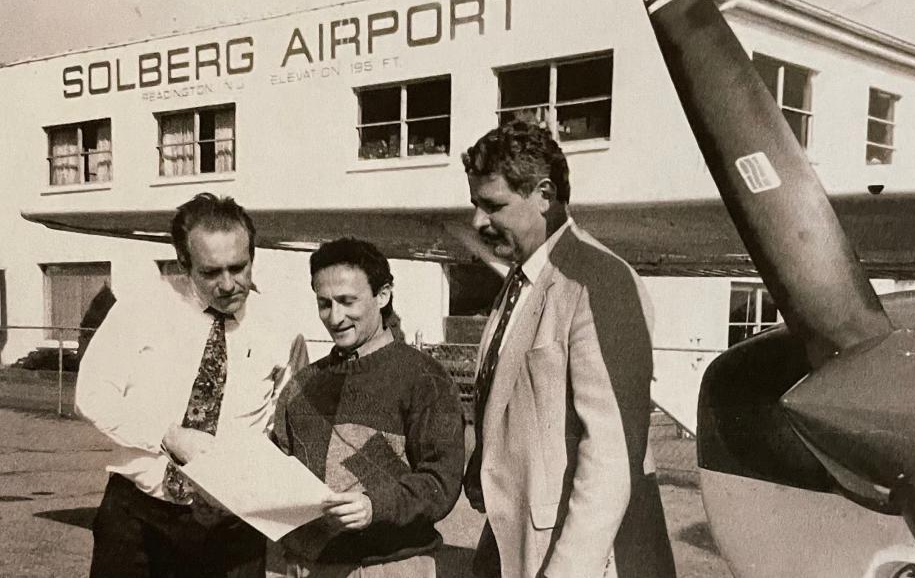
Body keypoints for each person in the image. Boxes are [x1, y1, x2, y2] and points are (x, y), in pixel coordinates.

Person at [462, 120, 677, 578]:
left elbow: (612, 458)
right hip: (515, 544)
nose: (476, 222)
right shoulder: (521, 282)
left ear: (544, 195)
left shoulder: (598, 281)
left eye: (493, 205)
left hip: (576, 558)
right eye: (474, 204)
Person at [76, 193, 303, 578]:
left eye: (239, 267)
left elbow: (283, 417)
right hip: (139, 518)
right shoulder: (142, 309)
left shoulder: (278, 325)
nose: (229, 284)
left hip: (231, 524)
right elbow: (92, 395)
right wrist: (166, 436)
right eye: (211, 272)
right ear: (184, 263)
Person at [273, 237, 464, 578]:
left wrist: (376, 506)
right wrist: (294, 543)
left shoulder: (425, 378)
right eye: (324, 303)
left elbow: (441, 482)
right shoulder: (301, 386)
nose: (335, 317)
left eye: (347, 301)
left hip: (392, 567)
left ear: (383, 294)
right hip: (312, 568)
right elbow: (280, 478)